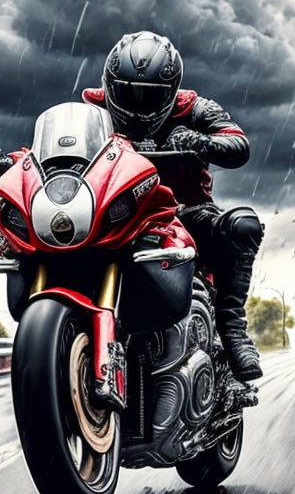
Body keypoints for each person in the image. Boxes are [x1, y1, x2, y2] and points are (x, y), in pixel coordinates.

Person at [82, 31, 263, 382]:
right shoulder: (92, 108)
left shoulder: (194, 107)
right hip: (115, 215)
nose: (137, 104)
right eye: (128, 92)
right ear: (110, 85)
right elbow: (62, 142)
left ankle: (232, 327)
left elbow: (238, 143)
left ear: (171, 92)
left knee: (243, 226)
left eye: (150, 97)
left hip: (183, 215)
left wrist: (201, 142)